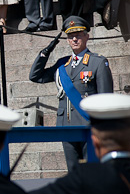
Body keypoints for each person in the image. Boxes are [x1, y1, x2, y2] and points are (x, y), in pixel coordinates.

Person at [29, 15, 113, 170]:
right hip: (66, 126)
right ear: (67, 40)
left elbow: (106, 99)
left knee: (92, 172)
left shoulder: (98, 62)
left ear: (87, 36)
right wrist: (45, 53)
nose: (74, 39)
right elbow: (35, 76)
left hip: (89, 127)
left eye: (78, 35)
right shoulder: (63, 64)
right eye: (70, 36)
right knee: (73, 172)